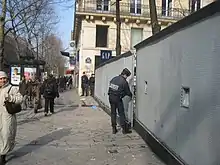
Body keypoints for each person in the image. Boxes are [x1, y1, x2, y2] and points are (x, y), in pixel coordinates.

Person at [0, 71, 22, 164]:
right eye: (0, 79)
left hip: (7, 116)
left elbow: (20, 99)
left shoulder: (12, 88)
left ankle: (2, 155)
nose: (2, 80)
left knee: (6, 135)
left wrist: (10, 98)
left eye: (4, 78)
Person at [108, 68, 133, 134]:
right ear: (125, 75)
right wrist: (131, 95)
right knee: (121, 113)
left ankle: (114, 128)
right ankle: (124, 129)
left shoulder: (114, 78)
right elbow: (128, 92)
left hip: (110, 97)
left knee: (113, 113)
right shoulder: (124, 82)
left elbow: (110, 87)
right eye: (127, 76)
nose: (126, 78)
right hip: (117, 99)